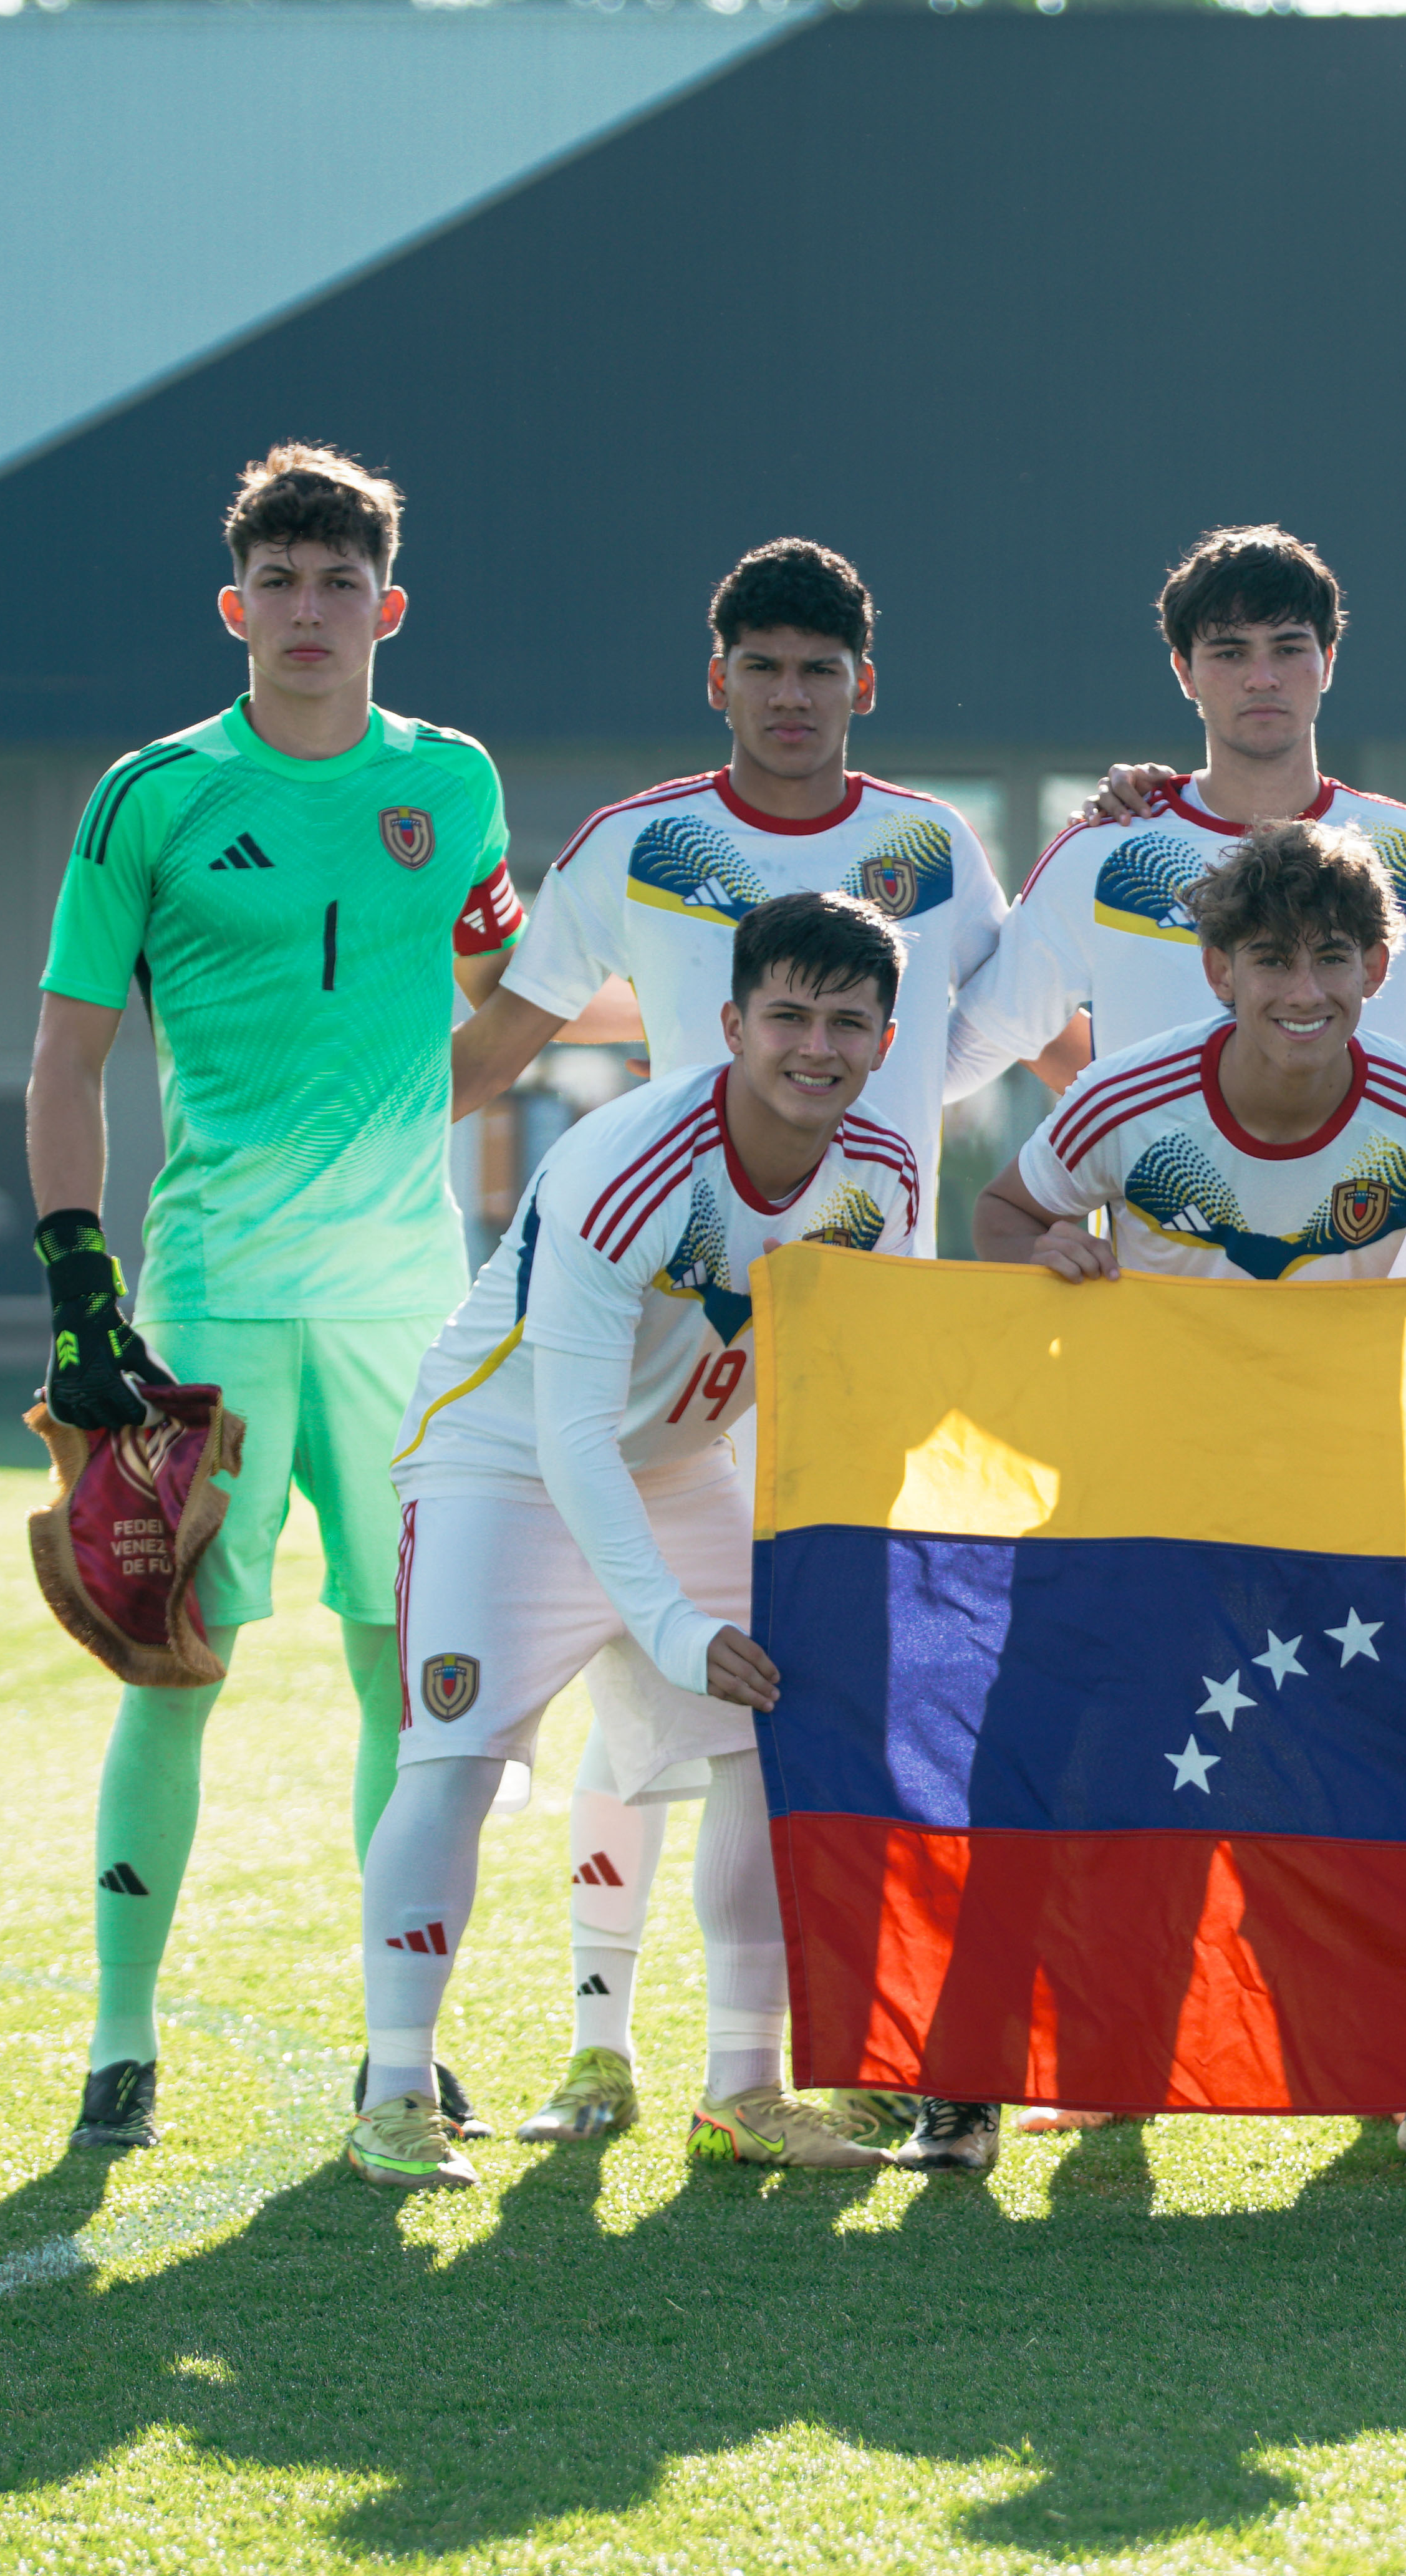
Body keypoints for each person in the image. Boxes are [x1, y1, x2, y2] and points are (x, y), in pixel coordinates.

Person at [443, 536, 1035, 2149]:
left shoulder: (935, 847)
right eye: (761, 668)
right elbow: (502, 1039)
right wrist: (343, 1160)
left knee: (813, 1712)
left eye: (819, 669)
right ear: (720, 680)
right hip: (673, 1354)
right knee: (662, 1700)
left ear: (865, 684)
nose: (791, 696)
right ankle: (594, 2038)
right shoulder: (637, 843)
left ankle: (821, 2059)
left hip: (868, 1350)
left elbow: (1029, 1016)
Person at [27, 443, 524, 2153]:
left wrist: (711, 1005)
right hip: (214, 1301)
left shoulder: (455, 785)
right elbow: (68, 1053)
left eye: (340, 583)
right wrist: (75, 1270)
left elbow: (501, 1008)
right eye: (280, 583)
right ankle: (119, 2038)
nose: (309, 612)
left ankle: (405, 2044)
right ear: (236, 605)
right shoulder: (150, 795)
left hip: (408, 1307)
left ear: (389, 607)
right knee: (176, 1672)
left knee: (412, 1682)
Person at [897, 819, 1406, 2175]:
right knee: (1041, 1774)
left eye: (1336, 958)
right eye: (1274, 958)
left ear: (1378, 967)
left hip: (1336, 1508)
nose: (1307, 989)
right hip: (1129, 1496)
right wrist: (1049, 1247)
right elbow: (1002, 1214)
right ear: (1220, 968)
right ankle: (971, 2077)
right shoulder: (1126, 1098)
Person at [349, 892, 926, 2187]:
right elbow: (568, 1435)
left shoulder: (881, 1171)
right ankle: (397, 2092)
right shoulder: (633, 1159)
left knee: (775, 1734)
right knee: (456, 1763)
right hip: (503, 1465)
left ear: (888, 1039)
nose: (816, 1047)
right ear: (731, 1023)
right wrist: (672, 1626)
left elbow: (853, 1379)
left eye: (848, 1021)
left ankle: (743, 2085)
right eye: (787, 1014)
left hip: (672, 1463)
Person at [956, 524, 1406, 1089]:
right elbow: (987, 1040)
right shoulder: (1105, 846)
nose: (1262, 678)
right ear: (1184, 671)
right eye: (1231, 653)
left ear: (1329, 662)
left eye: (1289, 648)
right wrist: (1121, 1120)